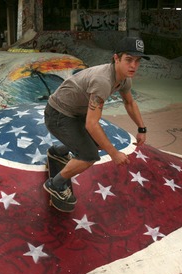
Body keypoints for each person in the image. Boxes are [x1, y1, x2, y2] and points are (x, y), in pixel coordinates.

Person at [43, 36, 150, 208]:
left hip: (75, 113)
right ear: (116, 58)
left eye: (137, 61)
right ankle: (55, 184)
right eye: (129, 60)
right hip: (58, 114)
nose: (133, 66)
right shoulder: (103, 81)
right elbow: (91, 124)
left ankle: (58, 152)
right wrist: (114, 154)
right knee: (89, 155)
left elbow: (129, 102)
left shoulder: (124, 77)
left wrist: (142, 128)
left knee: (97, 141)